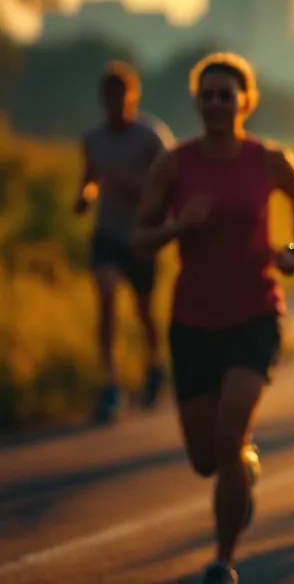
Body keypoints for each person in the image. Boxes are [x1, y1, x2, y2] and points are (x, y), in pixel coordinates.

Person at [132, 52, 294, 584]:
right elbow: (139, 239)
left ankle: (223, 559)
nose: (217, 103)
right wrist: (178, 228)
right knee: (205, 458)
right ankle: (241, 467)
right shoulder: (174, 163)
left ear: (246, 101)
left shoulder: (268, 159)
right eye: (208, 95)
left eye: (227, 94)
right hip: (193, 321)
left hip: (254, 316)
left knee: (228, 434)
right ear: (197, 102)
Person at [76, 61, 174, 423]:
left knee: (144, 311)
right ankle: (110, 383)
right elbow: (89, 178)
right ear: (102, 100)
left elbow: (167, 185)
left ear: (133, 97)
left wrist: (133, 184)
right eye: (109, 98)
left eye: (122, 97)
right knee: (106, 294)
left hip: (142, 235)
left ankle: (154, 364)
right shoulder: (93, 138)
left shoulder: (150, 137)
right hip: (108, 233)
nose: (115, 105)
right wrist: (84, 197)